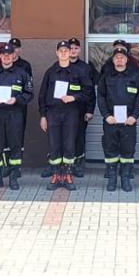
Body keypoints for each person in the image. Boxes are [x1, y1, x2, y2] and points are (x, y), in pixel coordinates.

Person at [39, 40, 94, 191]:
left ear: (70, 53)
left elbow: (88, 92)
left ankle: (68, 175)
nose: (63, 53)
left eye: (66, 50)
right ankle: (56, 175)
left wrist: (74, 97)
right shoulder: (50, 72)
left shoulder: (79, 72)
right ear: (57, 53)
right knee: (54, 145)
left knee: (69, 145)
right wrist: (43, 116)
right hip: (53, 113)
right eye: (61, 51)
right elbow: (42, 95)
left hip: (71, 113)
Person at [0, 43, 34, 190]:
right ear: (0, 55)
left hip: (14, 114)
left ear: (13, 55)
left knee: (15, 146)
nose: (6, 57)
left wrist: (16, 100)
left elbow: (29, 93)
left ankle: (13, 177)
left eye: (9, 54)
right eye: (4, 54)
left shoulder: (22, 74)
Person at [97, 45, 139, 192]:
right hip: (111, 121)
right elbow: (101, 97)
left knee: (128, 150)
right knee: (110, 149)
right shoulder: (106, 76)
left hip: (129, 122)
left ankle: (125, 179)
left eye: (122, 57)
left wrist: (134, 116)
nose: (119, 60)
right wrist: (106, 115)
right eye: (116, 57)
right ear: (113, 60)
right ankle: (112, 179)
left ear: (126, 59)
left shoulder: (134, 76)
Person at [67, 37, 99, 178]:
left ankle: (78, 164)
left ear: (80, 50)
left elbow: (90, 91)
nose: (73, 51)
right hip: (63, 110)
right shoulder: (60, 66)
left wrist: (90, 110)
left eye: (76, 48)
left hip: (80, 108)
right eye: (71, 48)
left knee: (79, 137)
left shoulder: (86, 68)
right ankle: (63, 165)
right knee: (64, 136)